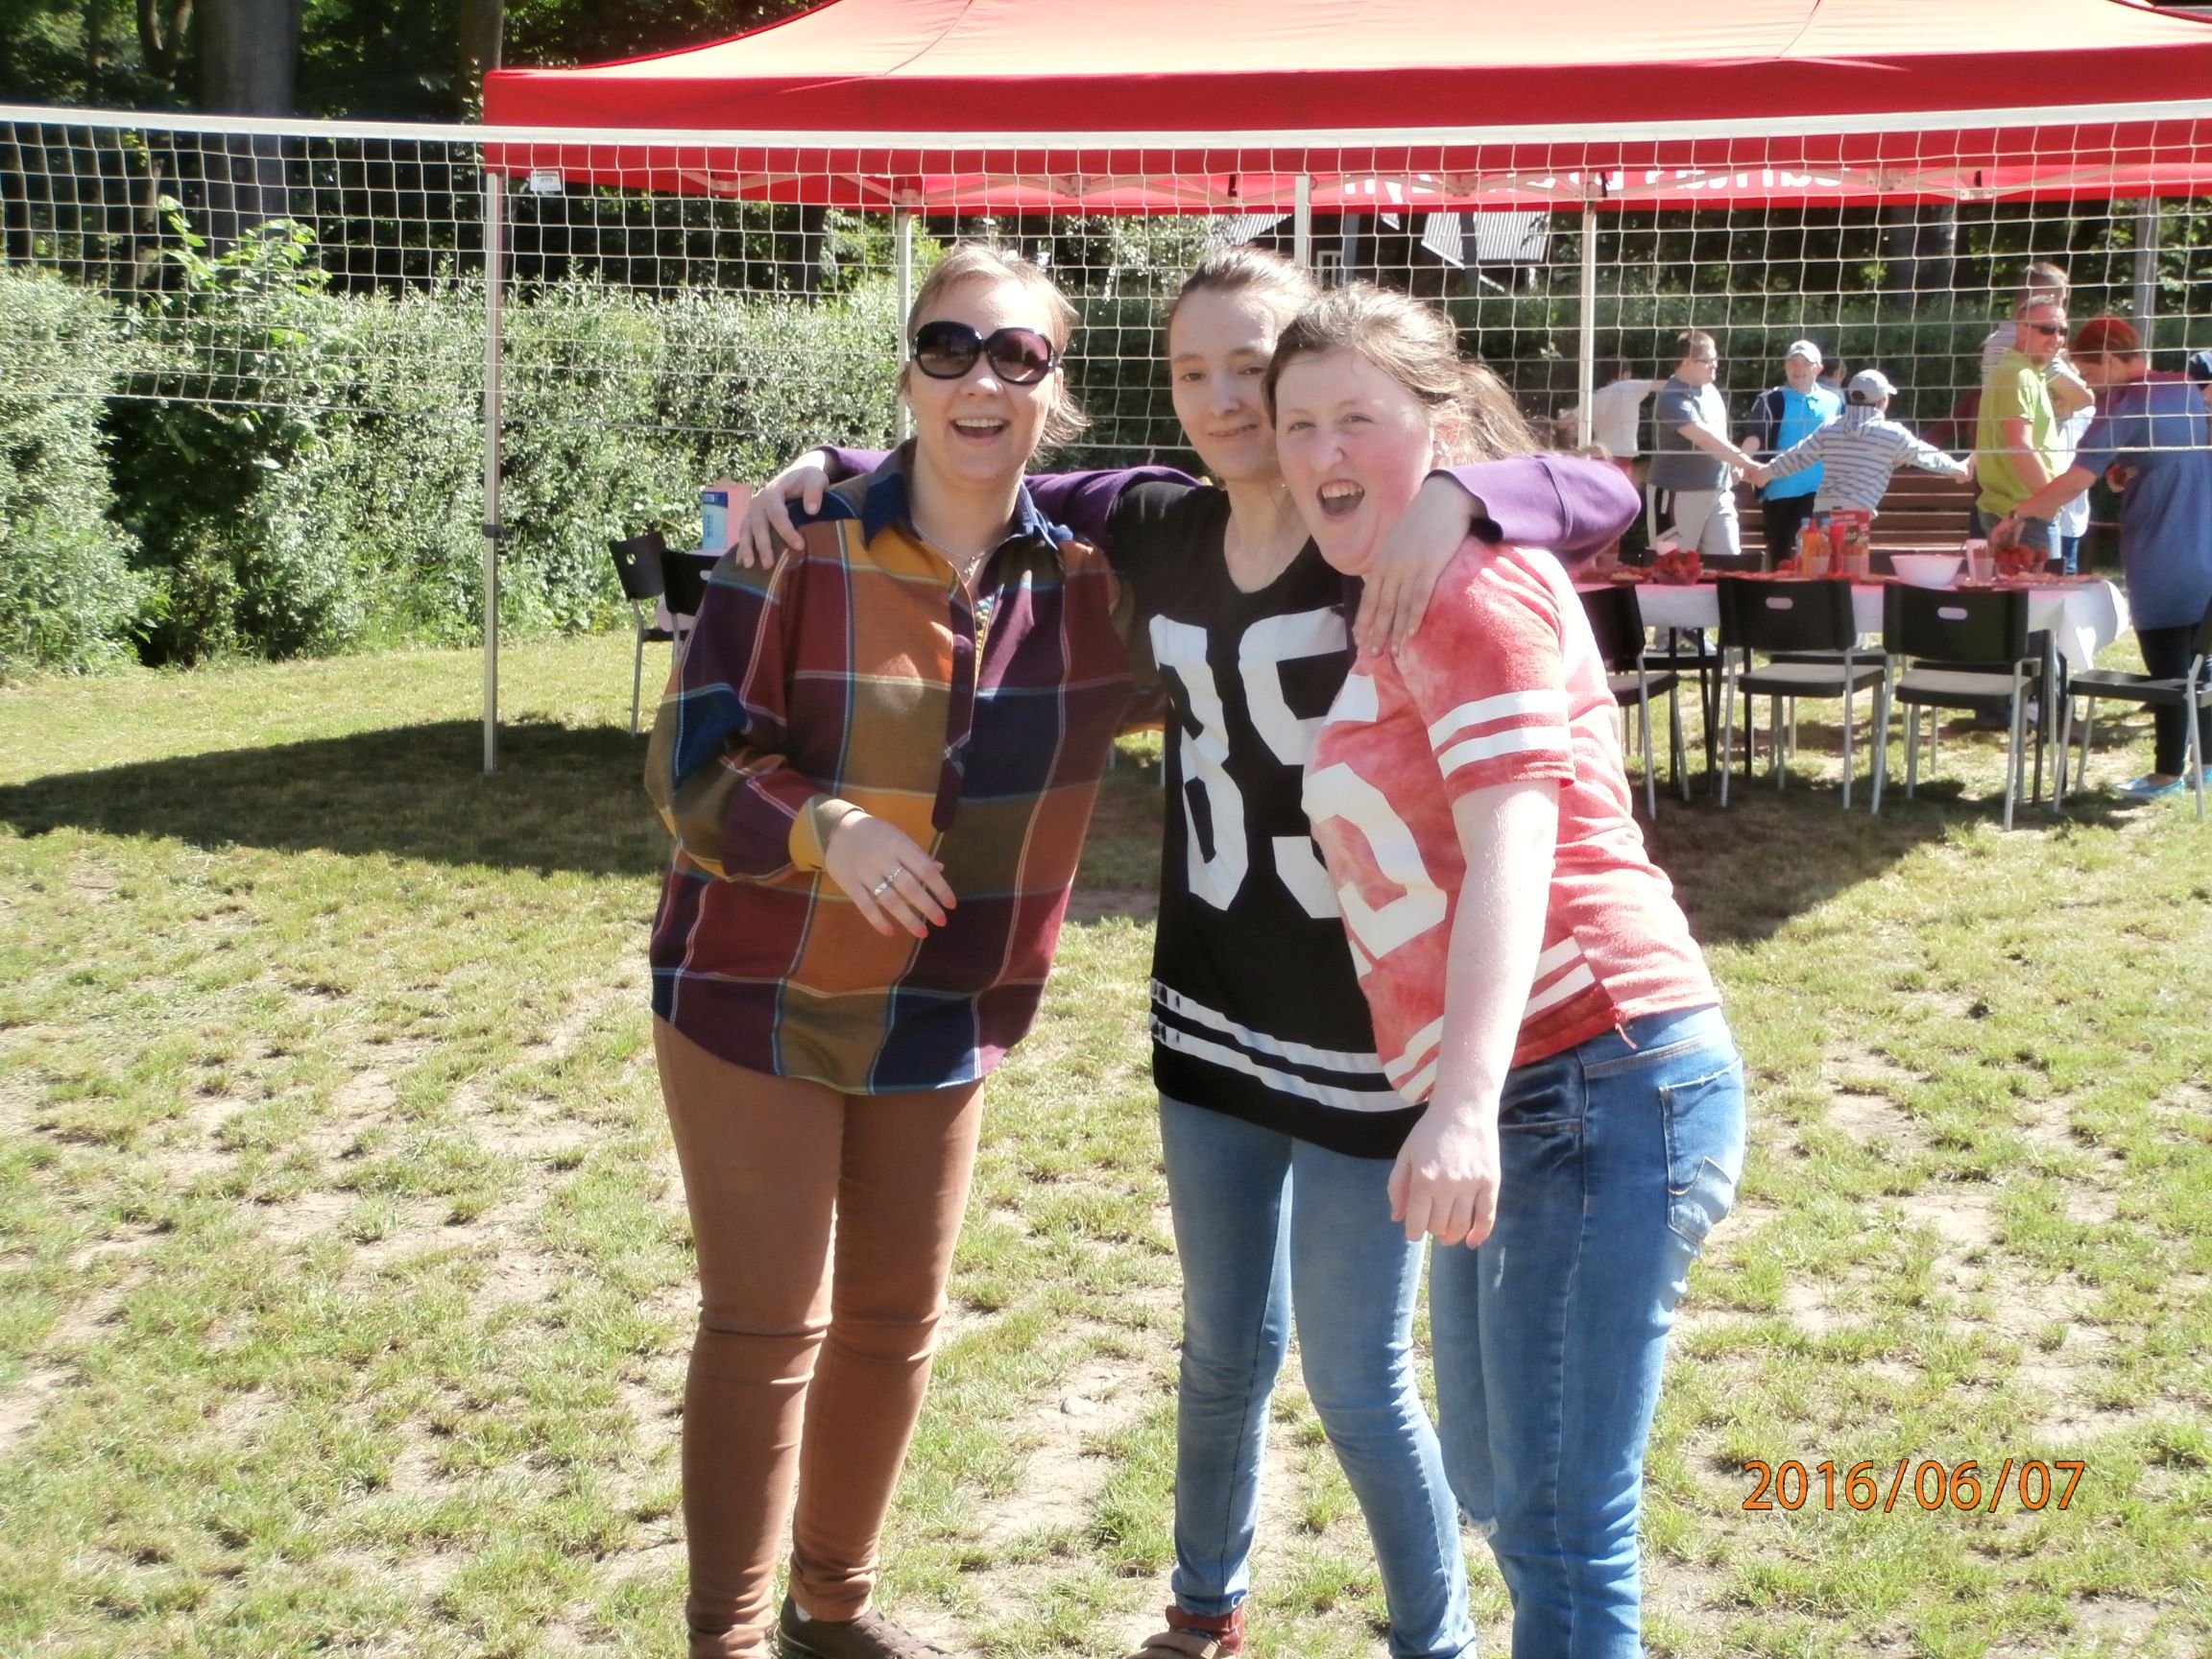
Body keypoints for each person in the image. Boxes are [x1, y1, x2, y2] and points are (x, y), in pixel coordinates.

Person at [736, 248, 1640, 1659]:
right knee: (1221, 1351)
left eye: (1254, 368)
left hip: (1363, 1029)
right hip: (1209, 1004)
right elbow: (985, 466)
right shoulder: (1157, 521)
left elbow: (1601, 492)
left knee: (1359, 1380)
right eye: (1191, 370)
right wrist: (827, 464)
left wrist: (1465, 495)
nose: (1225, 398)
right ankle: (1202, 1612)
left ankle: (1435, 1640)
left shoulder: (1384, 533)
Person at [643, 243, 1140, 1659]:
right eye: (948, 347)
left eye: (1018, 355)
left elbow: (1246, 531)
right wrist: (828, 827)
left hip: (948, 1001)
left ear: (1056, 388)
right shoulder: (797, 542)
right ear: (910, 371)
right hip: (755, 984)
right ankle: (726, 1638)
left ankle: (832, 1609)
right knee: (765, 1327)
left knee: (893, 1323)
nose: (981, 378)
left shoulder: (1096, 584)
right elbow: (689, 768)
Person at [1269, 282, 1744, 1658]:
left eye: (1357, 418)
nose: (1321, 453)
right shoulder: (1398, 594)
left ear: (1441, 428)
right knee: (1505, 1493)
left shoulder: (1464, 589)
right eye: (1299, 425)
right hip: (1538, 1085)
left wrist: (1463, 1106)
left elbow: (1515, 852)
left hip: (1593, 1071)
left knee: (1560, 1532)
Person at [1994, 316, 2212, 802]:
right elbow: (2176, 453)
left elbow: (2076, 479)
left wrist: (2019, 513)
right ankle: (2207, 764)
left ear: (2111, 359)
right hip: (2203, 542)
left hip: (2163, 551)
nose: (2087, 383)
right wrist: (2132, 467)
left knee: (2168, 669)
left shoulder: (2128, 401)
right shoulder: (2182, 389)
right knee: (2201, 665)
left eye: (2089, 372)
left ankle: (2166, 773)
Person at [1746, 368, 1968, 515]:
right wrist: (1958, 469)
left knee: (1824, 563)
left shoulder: (1830, 428)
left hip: (1823, 509)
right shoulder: (1892, 434)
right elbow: (1927, 456)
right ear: (1884, 401)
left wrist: (1765, 473)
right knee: (1850, 565)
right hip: (1857, 512)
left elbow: (1797, 457)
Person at [1646, 329, 1755, 565]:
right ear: (1686, 362)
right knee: (1671, 568)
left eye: (1716, 359)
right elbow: (1705, 440)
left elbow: (1720, 437)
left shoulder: (1710, 390)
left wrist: (1733, 466)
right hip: (1673, 496)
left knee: (1728, 563)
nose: (1715, 365)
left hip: (1719, 492)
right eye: (1708, 360)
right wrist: (1747, 463)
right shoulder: (1672, 397)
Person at [1743, 339, 1840, 565]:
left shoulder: (1834, 402)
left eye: (1806, 363)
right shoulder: (1771, 400)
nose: (1798, 369)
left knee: (1817, 559)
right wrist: (1740, 463)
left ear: (1819, 368)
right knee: (1782, 560)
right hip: (1779, 491)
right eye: (1792, 363)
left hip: (1819, 494)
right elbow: (1756, 436)